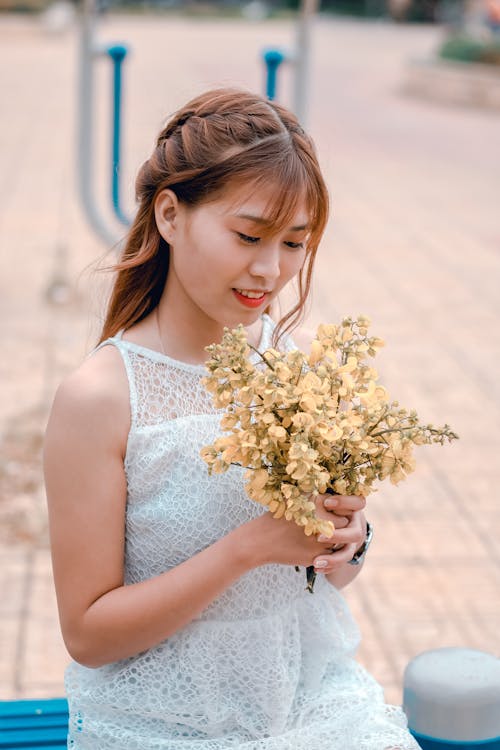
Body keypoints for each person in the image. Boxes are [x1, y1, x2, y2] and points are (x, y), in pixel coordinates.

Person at [44, 88, 420, 749]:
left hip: (313, 707)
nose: (270, 271)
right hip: (161, 726)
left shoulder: (286, 357)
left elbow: (316, 581)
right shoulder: (101, 398)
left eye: (295, 243)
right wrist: (248, 550)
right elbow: (88, 634)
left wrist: (347, 538)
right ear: (169, 214)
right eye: (248, 235)